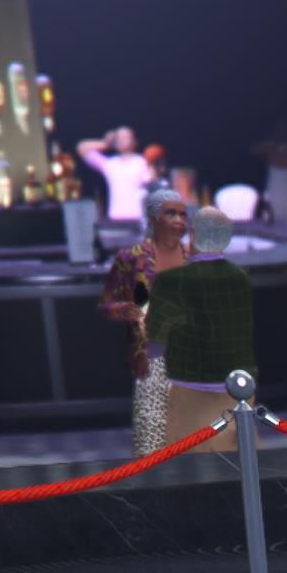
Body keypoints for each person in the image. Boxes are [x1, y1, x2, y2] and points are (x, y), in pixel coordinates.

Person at [143, 207, 256, 455]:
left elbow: (155, 340)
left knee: (187, 463)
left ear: (192, 235)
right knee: (241, 462)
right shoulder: (240, 277)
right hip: (238, 388)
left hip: (190, 390)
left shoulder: (171, 281)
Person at [101, 187, 203, 457]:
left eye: (183, 214)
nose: (179, 220)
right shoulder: (131, 257)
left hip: (194, 364)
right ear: (154, 218)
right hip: (152, 360)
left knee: (196, 446)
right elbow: (107, 304)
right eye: (171, 214)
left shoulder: (195, 259)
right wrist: (126, 310)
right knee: (152, 446)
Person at [77, 127, 160, 225]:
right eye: (119, 138)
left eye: (126, 137)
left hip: (137, 219)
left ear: (134, 141)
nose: (122, 140)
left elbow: (152, 184)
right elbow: (82, 148)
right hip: (115, 219)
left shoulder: (142, 162)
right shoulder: (110, 164)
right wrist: (105, 143)